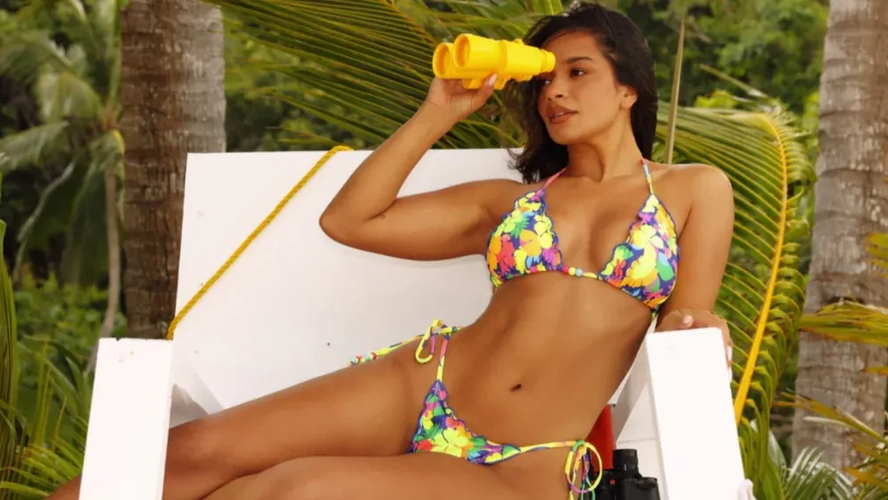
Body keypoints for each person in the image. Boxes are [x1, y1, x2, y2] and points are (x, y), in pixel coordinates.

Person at [48, 3, 734, 500]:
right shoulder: (509, 205)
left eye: (577, 73)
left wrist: (710, 331)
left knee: (292, 491)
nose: (553, 91)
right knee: (189, 453)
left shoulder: (696, 190)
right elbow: (352, 219)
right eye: (544, 81)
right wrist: (440, 109)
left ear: (628, 86)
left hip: (525, 462)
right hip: (426, 379)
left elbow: (688, 320)